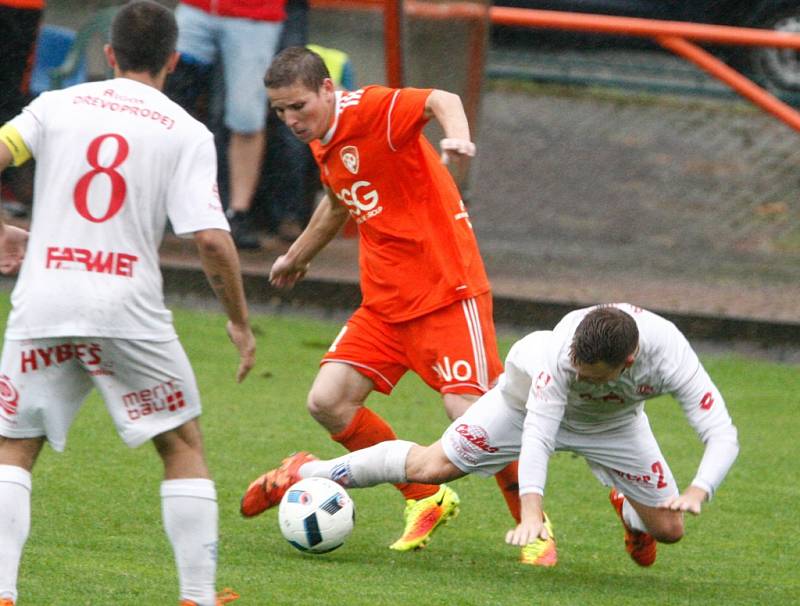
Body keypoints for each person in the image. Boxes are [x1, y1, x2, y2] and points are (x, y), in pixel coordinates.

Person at [0, 2, 256, 605]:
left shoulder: (54, 107)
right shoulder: (186, 131)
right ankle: (196, 596)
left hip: (43, 303)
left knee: (13, 447)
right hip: (128, 312)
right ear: (173, 59)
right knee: (182, 445)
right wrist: (239, 321)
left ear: (109, 54)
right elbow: (214, 240)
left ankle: (4, 591)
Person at [240, 46, 525, 555]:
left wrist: (457, 137)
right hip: (386, 303)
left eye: (298, 106)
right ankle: (423, 496)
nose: (290, 121)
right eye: (280, 111)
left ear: (328, 89)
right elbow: (337, 200)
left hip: (445, 292)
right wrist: (298, 255)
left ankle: (535, 526)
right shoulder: (320, 137)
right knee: (327, 401)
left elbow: (442, 97)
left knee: (475, 417)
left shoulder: (370, 109)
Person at [243, 304, 740, 567]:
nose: (580, 376)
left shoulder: (670, 354)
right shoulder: (561, 354)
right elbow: (540, 436)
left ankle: (629, 510)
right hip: (521, 408)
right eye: (577, 369)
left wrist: (699, 489)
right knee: (430, 467)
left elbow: (721, 433)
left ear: (629, 362)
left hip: (614, 425)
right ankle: (303, 472)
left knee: (668, 531)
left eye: (592, 374)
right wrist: (531, 515)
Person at [166, 0, 286, 250]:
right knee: (166, 100)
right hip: (196, 8)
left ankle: (237, 213)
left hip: (255, 15)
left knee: (246, 117)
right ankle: (158, 197)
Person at [0, 0, 44, 215]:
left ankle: (8, 185)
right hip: (20, 10)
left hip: (21, 9)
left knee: (9, 95)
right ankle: (8, 186)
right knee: (10, 96)